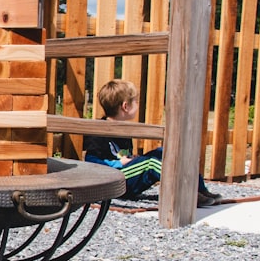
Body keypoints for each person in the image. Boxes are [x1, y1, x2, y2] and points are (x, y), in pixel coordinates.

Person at [83, 79, 222, 207]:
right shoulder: (99, 131)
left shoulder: (124, 130)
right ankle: (184, 194)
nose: (138, 104)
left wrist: (131, 159)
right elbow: (91, 162)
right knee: (151, 163)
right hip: (112, 182)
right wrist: (119, 163)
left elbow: (121, 154)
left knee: (164, 152)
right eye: (136, 101)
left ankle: (200, 190)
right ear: (125, 106)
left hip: (126, 176)